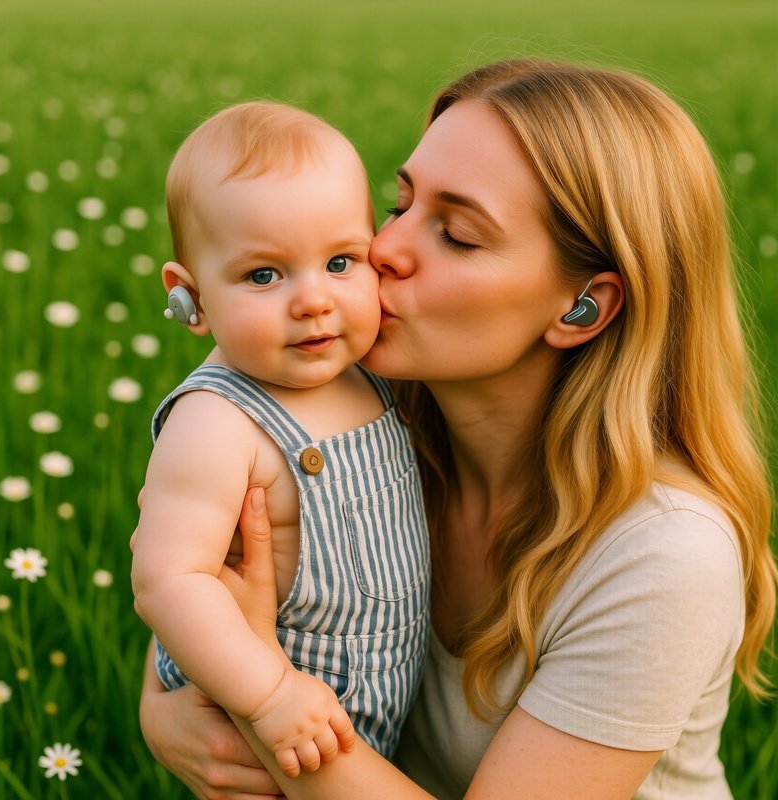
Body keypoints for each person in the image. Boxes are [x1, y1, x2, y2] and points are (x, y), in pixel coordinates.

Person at [138, 59, 776, 799]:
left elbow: (244, 644)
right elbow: (189, 585)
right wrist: (165, 716)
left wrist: (262, 702)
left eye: (458, 236)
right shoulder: (367, 424)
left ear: (582, 308)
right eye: (399, 204)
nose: (383, 250)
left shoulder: (663, 554)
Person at [131, 101, 430, 780]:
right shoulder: (217, 422)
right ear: (191, 297)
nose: (313, 300)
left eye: (341, 261)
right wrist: (267, 695)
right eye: (264, 275)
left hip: (374, 703)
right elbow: (168, 579)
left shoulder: (369, 373)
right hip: (272, 721)